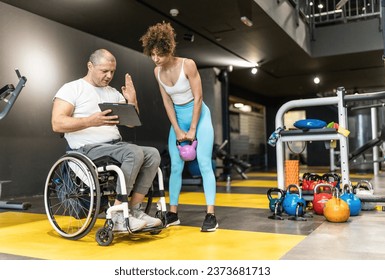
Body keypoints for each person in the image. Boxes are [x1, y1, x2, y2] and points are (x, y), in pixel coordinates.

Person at [51, 48, 162, 232]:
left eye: (112, 71)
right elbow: (57, 123)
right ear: (90, 66)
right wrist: (90, 121)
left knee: (153, 154)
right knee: (133, 152)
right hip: (87, 149)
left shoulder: (112, 93)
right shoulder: (72, 89)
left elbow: (132, 124)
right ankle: (117, 215)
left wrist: (132, 101)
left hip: (114, 147)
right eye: (104, 71)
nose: (109, 75)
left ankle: (133, 210)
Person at [140, 22, 218, 232]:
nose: (155, 59)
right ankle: (173, 213)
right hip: (178, 120)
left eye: (159, 54)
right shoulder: (157, 72)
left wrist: (192, 129)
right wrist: (176, 128)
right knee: (175, 166)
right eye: (152, 54)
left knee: (203, 164)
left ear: (168, 49)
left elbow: (199, 97)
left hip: (199, 117)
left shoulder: (188, 65)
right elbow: (167, 102)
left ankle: (211, 215)